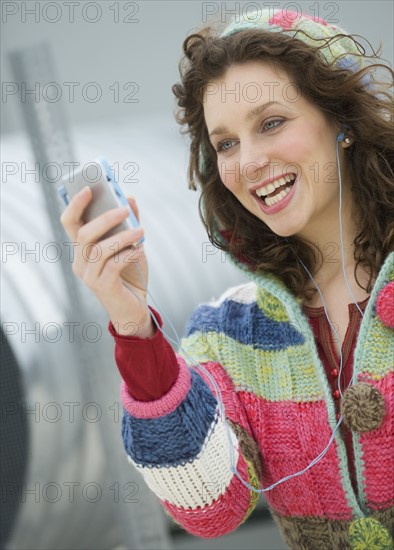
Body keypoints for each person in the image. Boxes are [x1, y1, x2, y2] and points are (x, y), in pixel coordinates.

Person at [61, 9, 394, 550]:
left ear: (343, 120)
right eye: (226, 144)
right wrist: (133, 322)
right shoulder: (229, 332)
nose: (250, 161)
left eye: (271, 123)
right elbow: (209, 507)